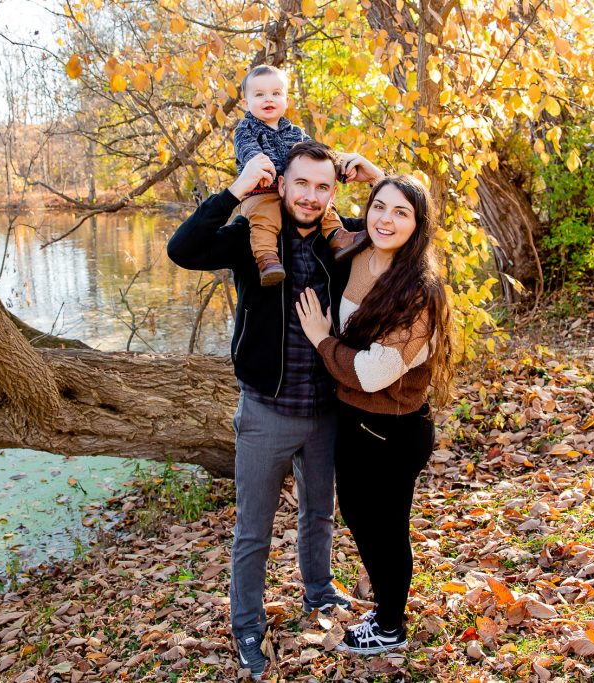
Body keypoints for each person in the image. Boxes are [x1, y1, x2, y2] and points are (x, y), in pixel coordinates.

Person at [166, 140, 384, 679]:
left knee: (319, 513)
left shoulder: (344, 241)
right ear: (281, 184)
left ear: (334, 192)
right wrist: (235, 190)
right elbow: (183, 250)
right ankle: (246, 624)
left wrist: (380, 180)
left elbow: (404, 225)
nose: (310, 196)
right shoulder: (251, 235)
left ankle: (319, 591)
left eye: (322, 186)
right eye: (301, 184)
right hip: (266, 409)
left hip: (328, 409)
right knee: (254, 529)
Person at [295, 175, 454, 655]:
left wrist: (322, 339)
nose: (386, 219)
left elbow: (371, 374)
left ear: (418, 224)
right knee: (365, 523)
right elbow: (324, 219)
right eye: (378, 207)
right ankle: (388, 612)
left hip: (392, 430)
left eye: (401, 212)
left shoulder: (417, 292)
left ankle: (389, 627)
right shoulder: (360, 248)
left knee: (383, 531)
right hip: (357, 423)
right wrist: (365, 168)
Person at [233, 64, 369, 286]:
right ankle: (267, 259)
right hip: (261, 191)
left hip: (292, 191)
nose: (269, 99)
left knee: (326, 208)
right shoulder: (246, 129)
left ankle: (338, 237)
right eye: (260, 95)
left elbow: (320, 157)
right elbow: (248, 151)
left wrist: (342, 170)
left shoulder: (296, 132)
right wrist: (261, 166)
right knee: (265, 219)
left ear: (286, 100)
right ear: (246, 103)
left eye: (276, 93)